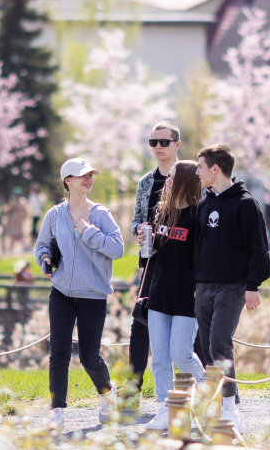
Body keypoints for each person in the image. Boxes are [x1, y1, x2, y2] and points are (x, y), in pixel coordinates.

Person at [35, 157, 124, 426]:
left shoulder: (100, 214)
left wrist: (88, 232)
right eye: (81, 175)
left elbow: (117, 248)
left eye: (90, 175)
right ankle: (57, 412)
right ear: (68, 181)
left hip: (93, 295)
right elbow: (41, 247)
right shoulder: (55, 214)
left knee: (89, 357)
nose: (88, 179)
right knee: (59, 354)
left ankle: (108, 392)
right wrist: (45, 260)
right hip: (61, 292)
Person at [194, 144, 270, 430]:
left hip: (233, 286)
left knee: (219, 342)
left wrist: (253, 284)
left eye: (201, 167)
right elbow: (198, 248)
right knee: (203, 347)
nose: (198, 172)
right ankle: (222, 400)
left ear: (216, 169)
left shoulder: (246, 204)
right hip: (203, 285)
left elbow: (259, 248)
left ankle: (229, 408)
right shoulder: (204, 205)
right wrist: (195, 281)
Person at [143, 160, 206, 430]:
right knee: (159, 356)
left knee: (180, 354)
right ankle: (166, 407)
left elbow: (203, 256)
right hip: (160, 292)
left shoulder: (197, 215)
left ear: (184, 181)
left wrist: (199, 286)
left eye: (171, 177)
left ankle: (205, 390)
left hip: (186, 296)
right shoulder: (163, 212)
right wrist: (147, 240)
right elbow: (157, 251)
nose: (166, 180)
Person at [129, 121, 183, 394]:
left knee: (188, 324)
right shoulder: (146, 182)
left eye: (164, 142)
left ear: (177, 144)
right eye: (153, 143)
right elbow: (136, 220)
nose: (158, 147)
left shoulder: (191, 176)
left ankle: (202, 390)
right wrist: (139, 231)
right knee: (140, 321)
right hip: (151, 262)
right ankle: (132, 390)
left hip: (184, 264)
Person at [4, 187, 28, 252]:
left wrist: (4, 210)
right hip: (18, 221)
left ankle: (25, 246)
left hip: (14, 221)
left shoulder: (15, 201)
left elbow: (8, 210)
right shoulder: (23, 201)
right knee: (16, 235)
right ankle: (12, 248)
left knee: (16, 235)